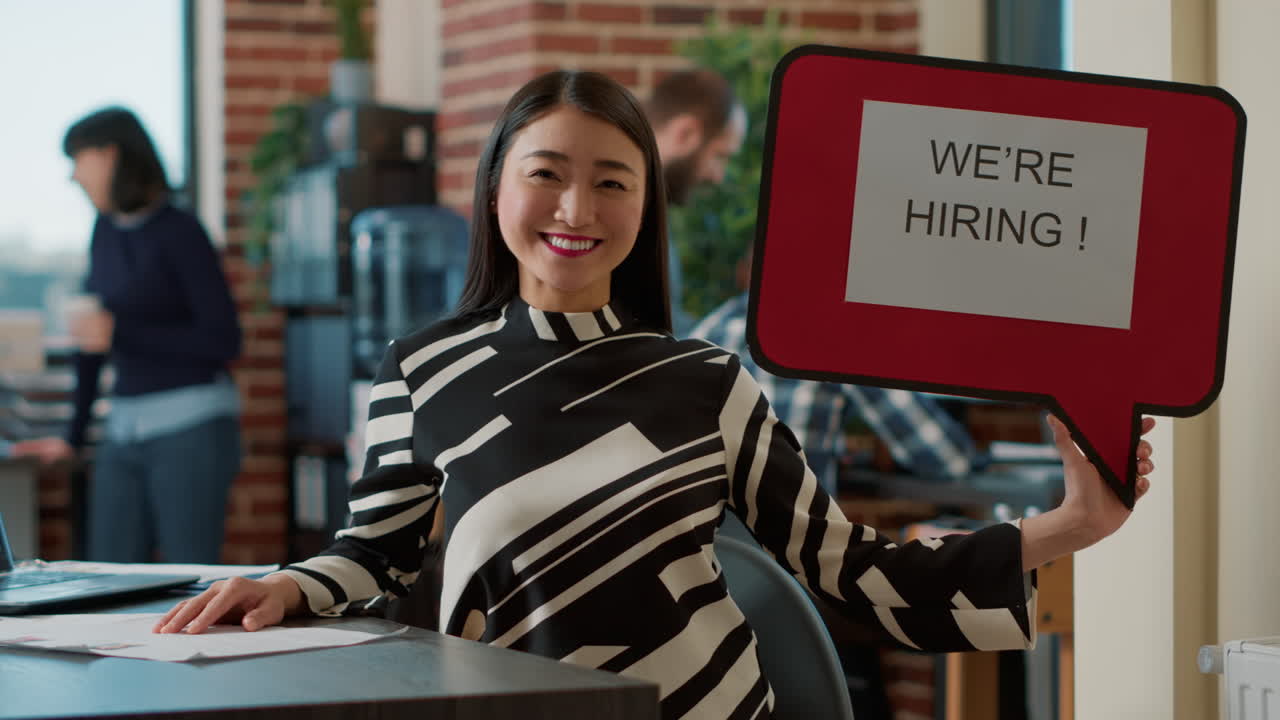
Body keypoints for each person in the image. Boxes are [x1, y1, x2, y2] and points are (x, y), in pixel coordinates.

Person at [155, 71, 1155, 720]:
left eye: (611, 182)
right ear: (497, 186)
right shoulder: (420, 371)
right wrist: (290, 585)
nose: (575, 210)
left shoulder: (707, 380)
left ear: (645, 202)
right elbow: (374, 555)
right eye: (546, 174)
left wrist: (1066, 527)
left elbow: (849, 569)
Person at [13, 107, 242, 564]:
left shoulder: (181, 231)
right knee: (108, 573)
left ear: (110, 155)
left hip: (191, 427)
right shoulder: (104, 232)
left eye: (78, 159)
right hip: (123, 428)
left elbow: (224, 341)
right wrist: (72, 436)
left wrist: (121, 331)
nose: (73, 176)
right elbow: (93, 342)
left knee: (190, 574)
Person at [691, 249, 981, 496]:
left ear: (746, 271)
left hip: (699, 550)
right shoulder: (837, 339)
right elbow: (944, 459)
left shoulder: (703, 333)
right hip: (786, 553)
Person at [647, 68, 747, 335]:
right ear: (685, 133)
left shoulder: (651, 206)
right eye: (719, 155)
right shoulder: (629, 212)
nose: (718, 176)